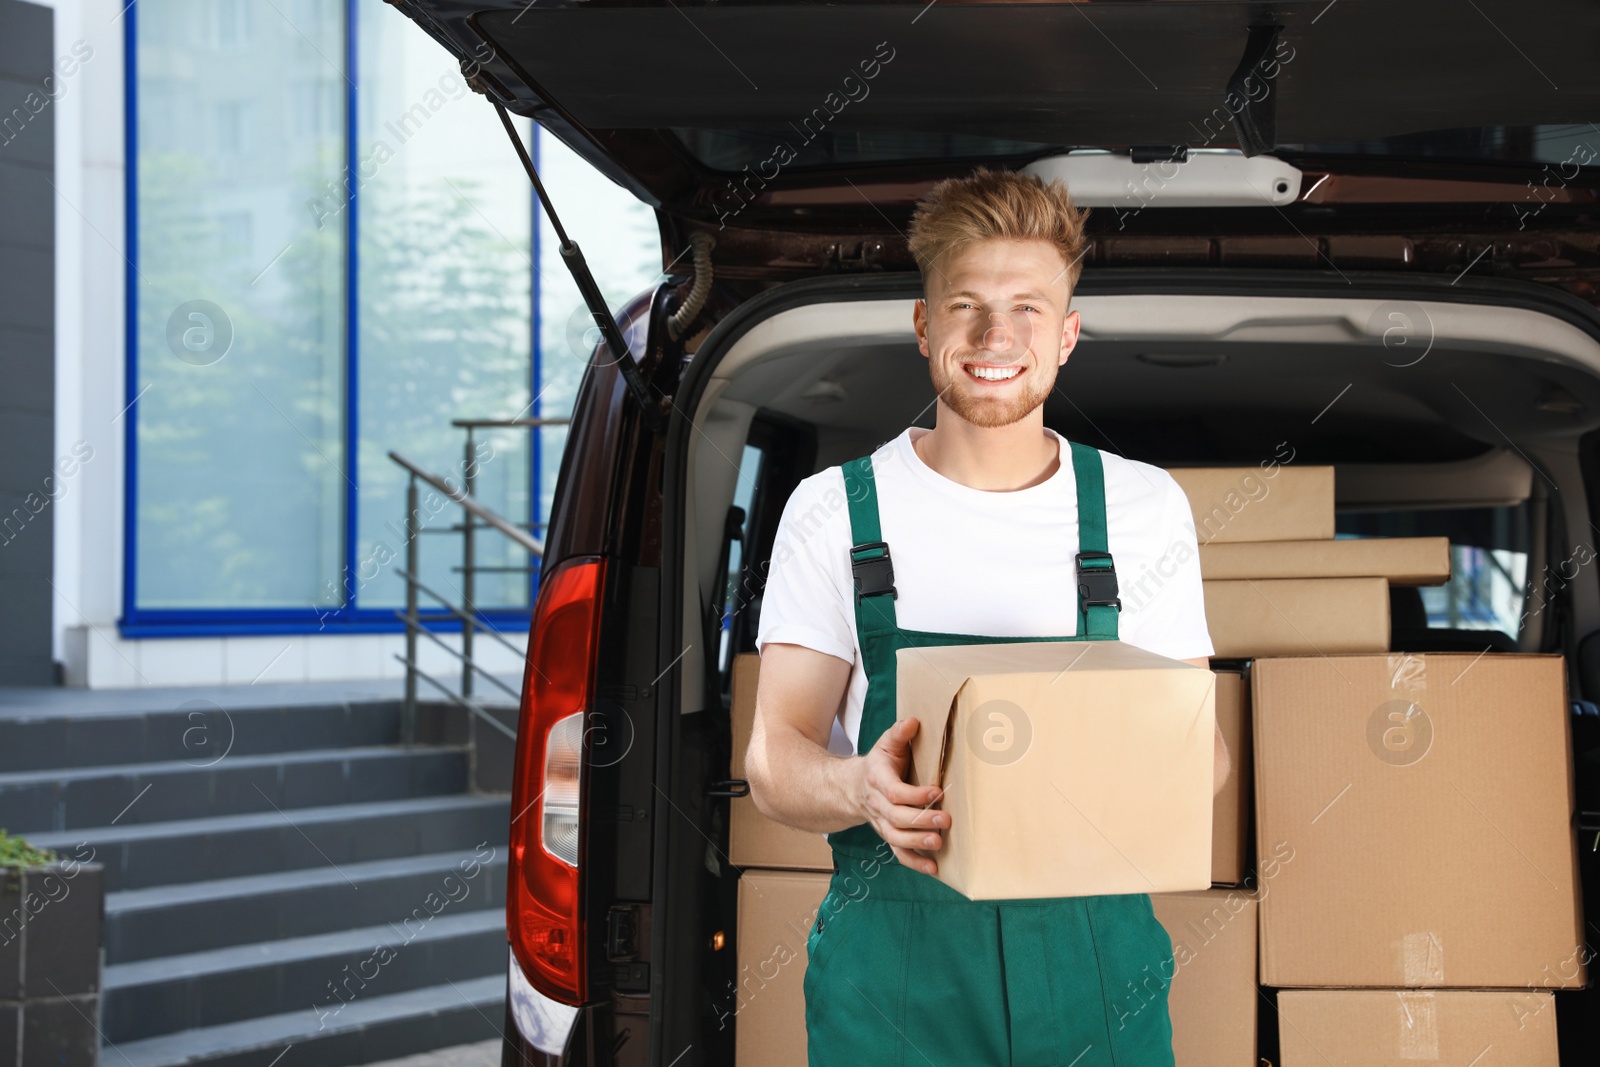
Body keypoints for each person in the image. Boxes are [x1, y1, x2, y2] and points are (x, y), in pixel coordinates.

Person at [745, 166, 1230, 1066]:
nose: (995, 334)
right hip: (893, 976)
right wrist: (861, 790)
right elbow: (775, 756)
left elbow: (1198, 755)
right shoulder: (836, 510)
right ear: (926, 325)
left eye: (1028, 309)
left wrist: (1131, 784)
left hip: (1095, 963)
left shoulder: (1142, 507)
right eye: (965, 304)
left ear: (1068, 335)